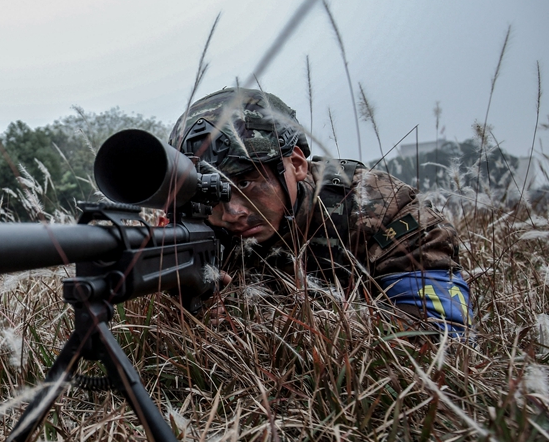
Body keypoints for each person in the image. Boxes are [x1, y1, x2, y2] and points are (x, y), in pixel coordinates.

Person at [167, 87, 472, 336]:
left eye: (247, 182)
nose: (231, 212)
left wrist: (270, 324)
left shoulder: (380, 209)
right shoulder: (196, 228)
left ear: (296, 164)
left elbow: (441, 334)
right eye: (210, 192)